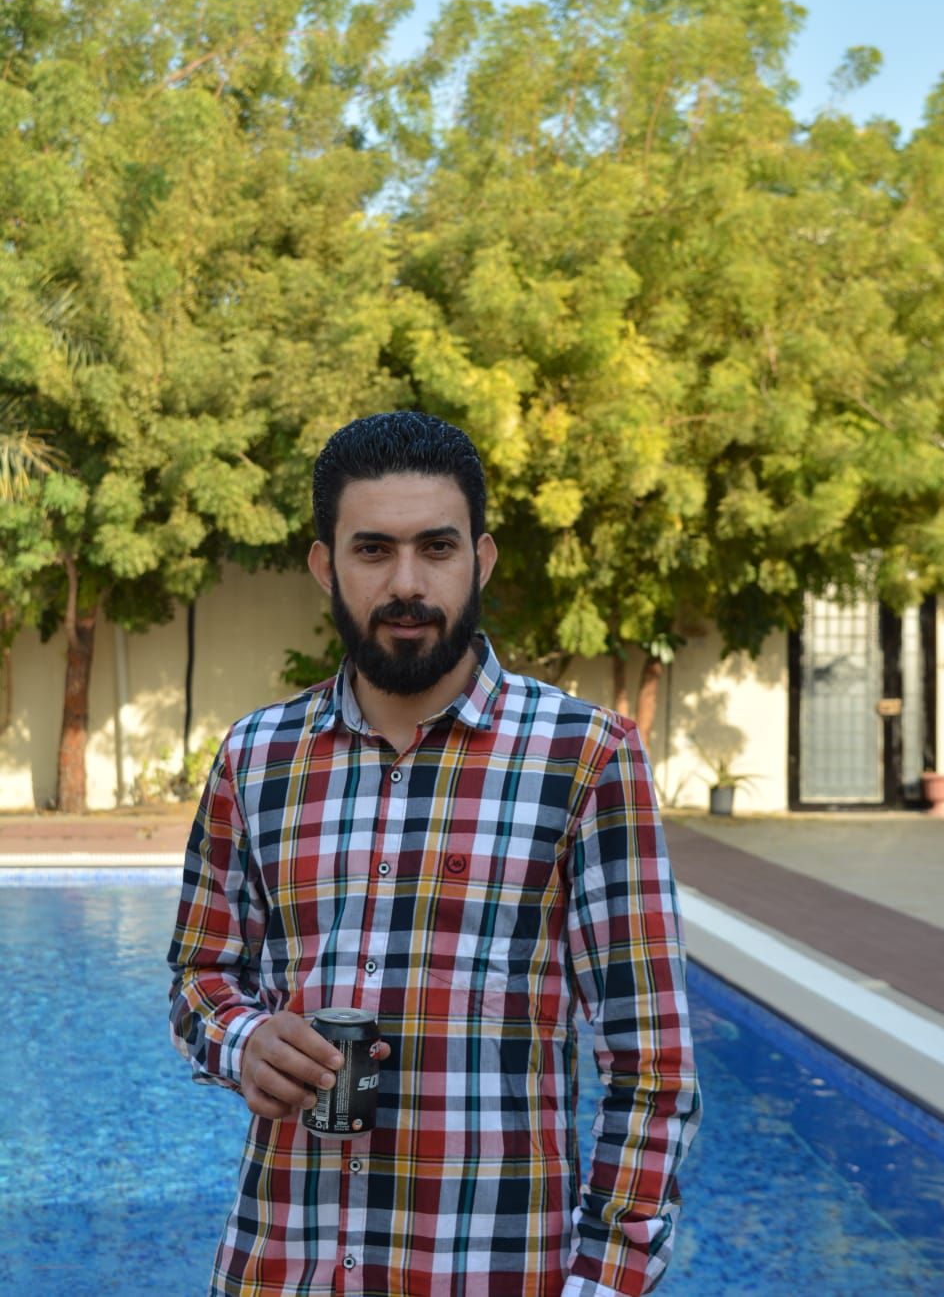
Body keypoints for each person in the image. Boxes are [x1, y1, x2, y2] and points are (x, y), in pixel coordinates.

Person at [168, 410, 701, 1297]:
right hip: (280, 1266)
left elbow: (650, 1061)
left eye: (437, 548)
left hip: (490, 1272)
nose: (407, 584)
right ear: (324, 566)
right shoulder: (255, 757)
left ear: (480, 560)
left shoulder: (585, 757)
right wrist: (244, 1039)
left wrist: (605, 1281)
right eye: (373, 550)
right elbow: (200, 976)